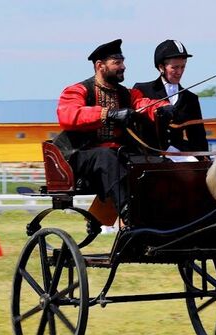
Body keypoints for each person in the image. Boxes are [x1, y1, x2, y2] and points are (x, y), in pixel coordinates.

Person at [55, 39, 167, 221]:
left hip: (116, 157)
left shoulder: (126, 94)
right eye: (117, 62)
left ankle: (165, 213)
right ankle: (130, 215)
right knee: (106, 156)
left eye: (122, 62)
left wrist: (162, 108)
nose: (123, 67)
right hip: (81, 158)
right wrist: (109, 114)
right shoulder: (77, 90)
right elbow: (69, 115)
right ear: (100, 66)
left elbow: (144, 104)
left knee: (157, 162)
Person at [133, 40, 209, 154]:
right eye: (175, 67)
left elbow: (197, 136)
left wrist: (204, 159)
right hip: (148, 156)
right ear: (161, 67)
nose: (179, 72)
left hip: (179, 154)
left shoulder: (190, 99)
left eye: (183, 67)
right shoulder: (142, 90)